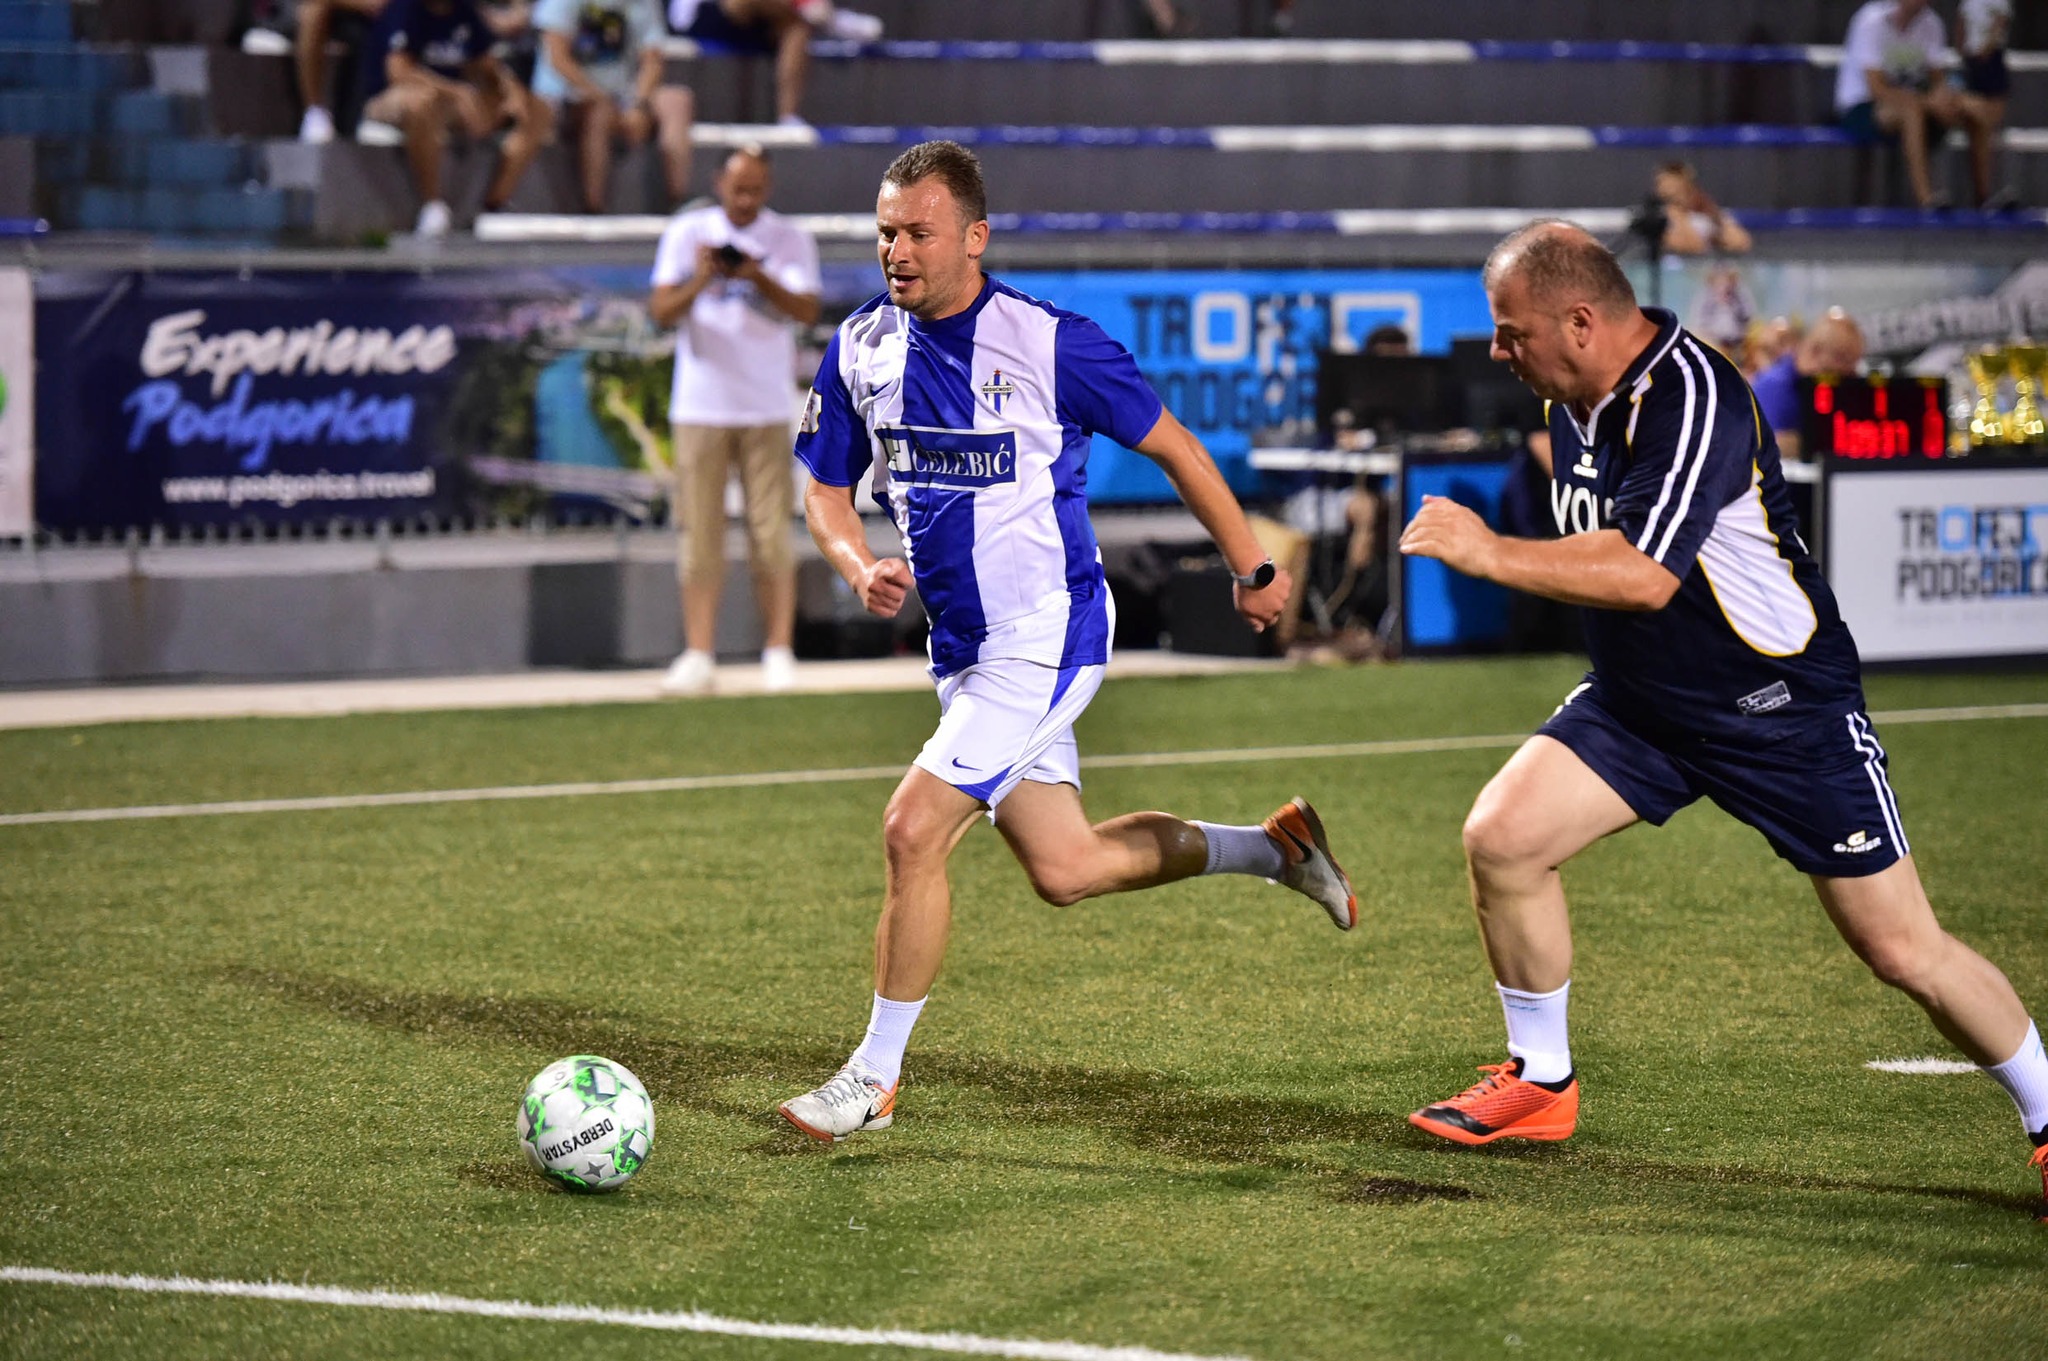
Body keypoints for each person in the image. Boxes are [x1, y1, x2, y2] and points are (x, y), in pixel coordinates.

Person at [1396, 221, 2048, 1216]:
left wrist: (1489, 550)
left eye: (1507, 330)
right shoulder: (1571, 394)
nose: (1496, 349)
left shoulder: (1689, 395)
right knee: (1503, 837)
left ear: (1579, 321)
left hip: (1775, 706)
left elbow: (1643, 572)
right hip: (1645, 701)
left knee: (1900, 948)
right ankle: (1541, 1078)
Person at [776, 140, 1358, 1142]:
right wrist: (850, 560)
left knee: (911, 830)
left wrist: (1253, 571)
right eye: (882, 233)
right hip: (962, 654)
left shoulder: (1049, 343)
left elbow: (1174, 446)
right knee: (1067, 867)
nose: (895, 252)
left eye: (917, 232)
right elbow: (824, 487)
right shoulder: (862, 346)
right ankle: (1272, 850)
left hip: (1047, 636)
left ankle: (870, 1079)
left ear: (973, 235)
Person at [649, 147, 820, 695]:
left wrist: (755, 275)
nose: (745, 199)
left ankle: (778, 649)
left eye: (756, 189)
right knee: (699, 533)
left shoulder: (789, 239)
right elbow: (661, 313)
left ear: (767, 187)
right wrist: (702, 277)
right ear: (719, 182)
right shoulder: (686, 233)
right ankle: (699, 652)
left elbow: (807, 310)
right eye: (737, 188)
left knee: (771, 534)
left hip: (766, 406)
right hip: (700, 406)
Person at [357, 0, 550, 237]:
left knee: (538, 109)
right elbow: (398, 71)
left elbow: (487, 64)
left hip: (449, 104)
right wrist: (455, 91)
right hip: (390, 97)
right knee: (422, 102)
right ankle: (432, 205)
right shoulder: (405, 8)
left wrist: (512, 90)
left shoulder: (464, 11)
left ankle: (494, 204)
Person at [532, 0, 695, 213]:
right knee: (600, 111)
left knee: (678, 100)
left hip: (621, 95)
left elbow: (652, 60)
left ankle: (678, 200)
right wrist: (600, 97)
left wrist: (639, 105)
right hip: (563, 95)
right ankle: (594, 206)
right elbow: (558, 58)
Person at [1835, 0, 1987, 210]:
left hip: (1917, 101)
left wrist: (1949, 100)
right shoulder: (1871, 21)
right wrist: (1927, 102)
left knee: (1973, 107)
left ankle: (1984, 196)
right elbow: (1876, 89)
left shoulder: (1931, 24)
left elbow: (1936, 80)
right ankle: (1926, 199)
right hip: (1862, 106)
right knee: (1911, 110)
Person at [666, 0, 882, 126]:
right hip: (701, 14)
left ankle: (788, 116)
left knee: (798, 27)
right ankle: (828, 18)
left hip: (764, 15)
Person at [1750, 309, 1865, 460]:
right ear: (1815, 352)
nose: (1852, 372)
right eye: (1844, 359)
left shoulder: (1827, 389)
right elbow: (1766, 451)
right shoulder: (1773, 388)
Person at [1957, 0, 2014, 208]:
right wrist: (1966, 55)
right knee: (1977, 127)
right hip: (1973, 63)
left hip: (1990, 61)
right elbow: (1961, 28)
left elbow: (2000, 24)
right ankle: (1982, 191)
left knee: (1993, 129)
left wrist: (1985, 50)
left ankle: (1997, 186)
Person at [1653, 162, 1752, 256]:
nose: (1662, 186)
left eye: (1670, 182)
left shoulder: (1708, 211)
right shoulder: (1660, 215)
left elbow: (1742, 243)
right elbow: (1691, 246)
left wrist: (1717, 231)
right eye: (1660, 182)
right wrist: (1677, 215)